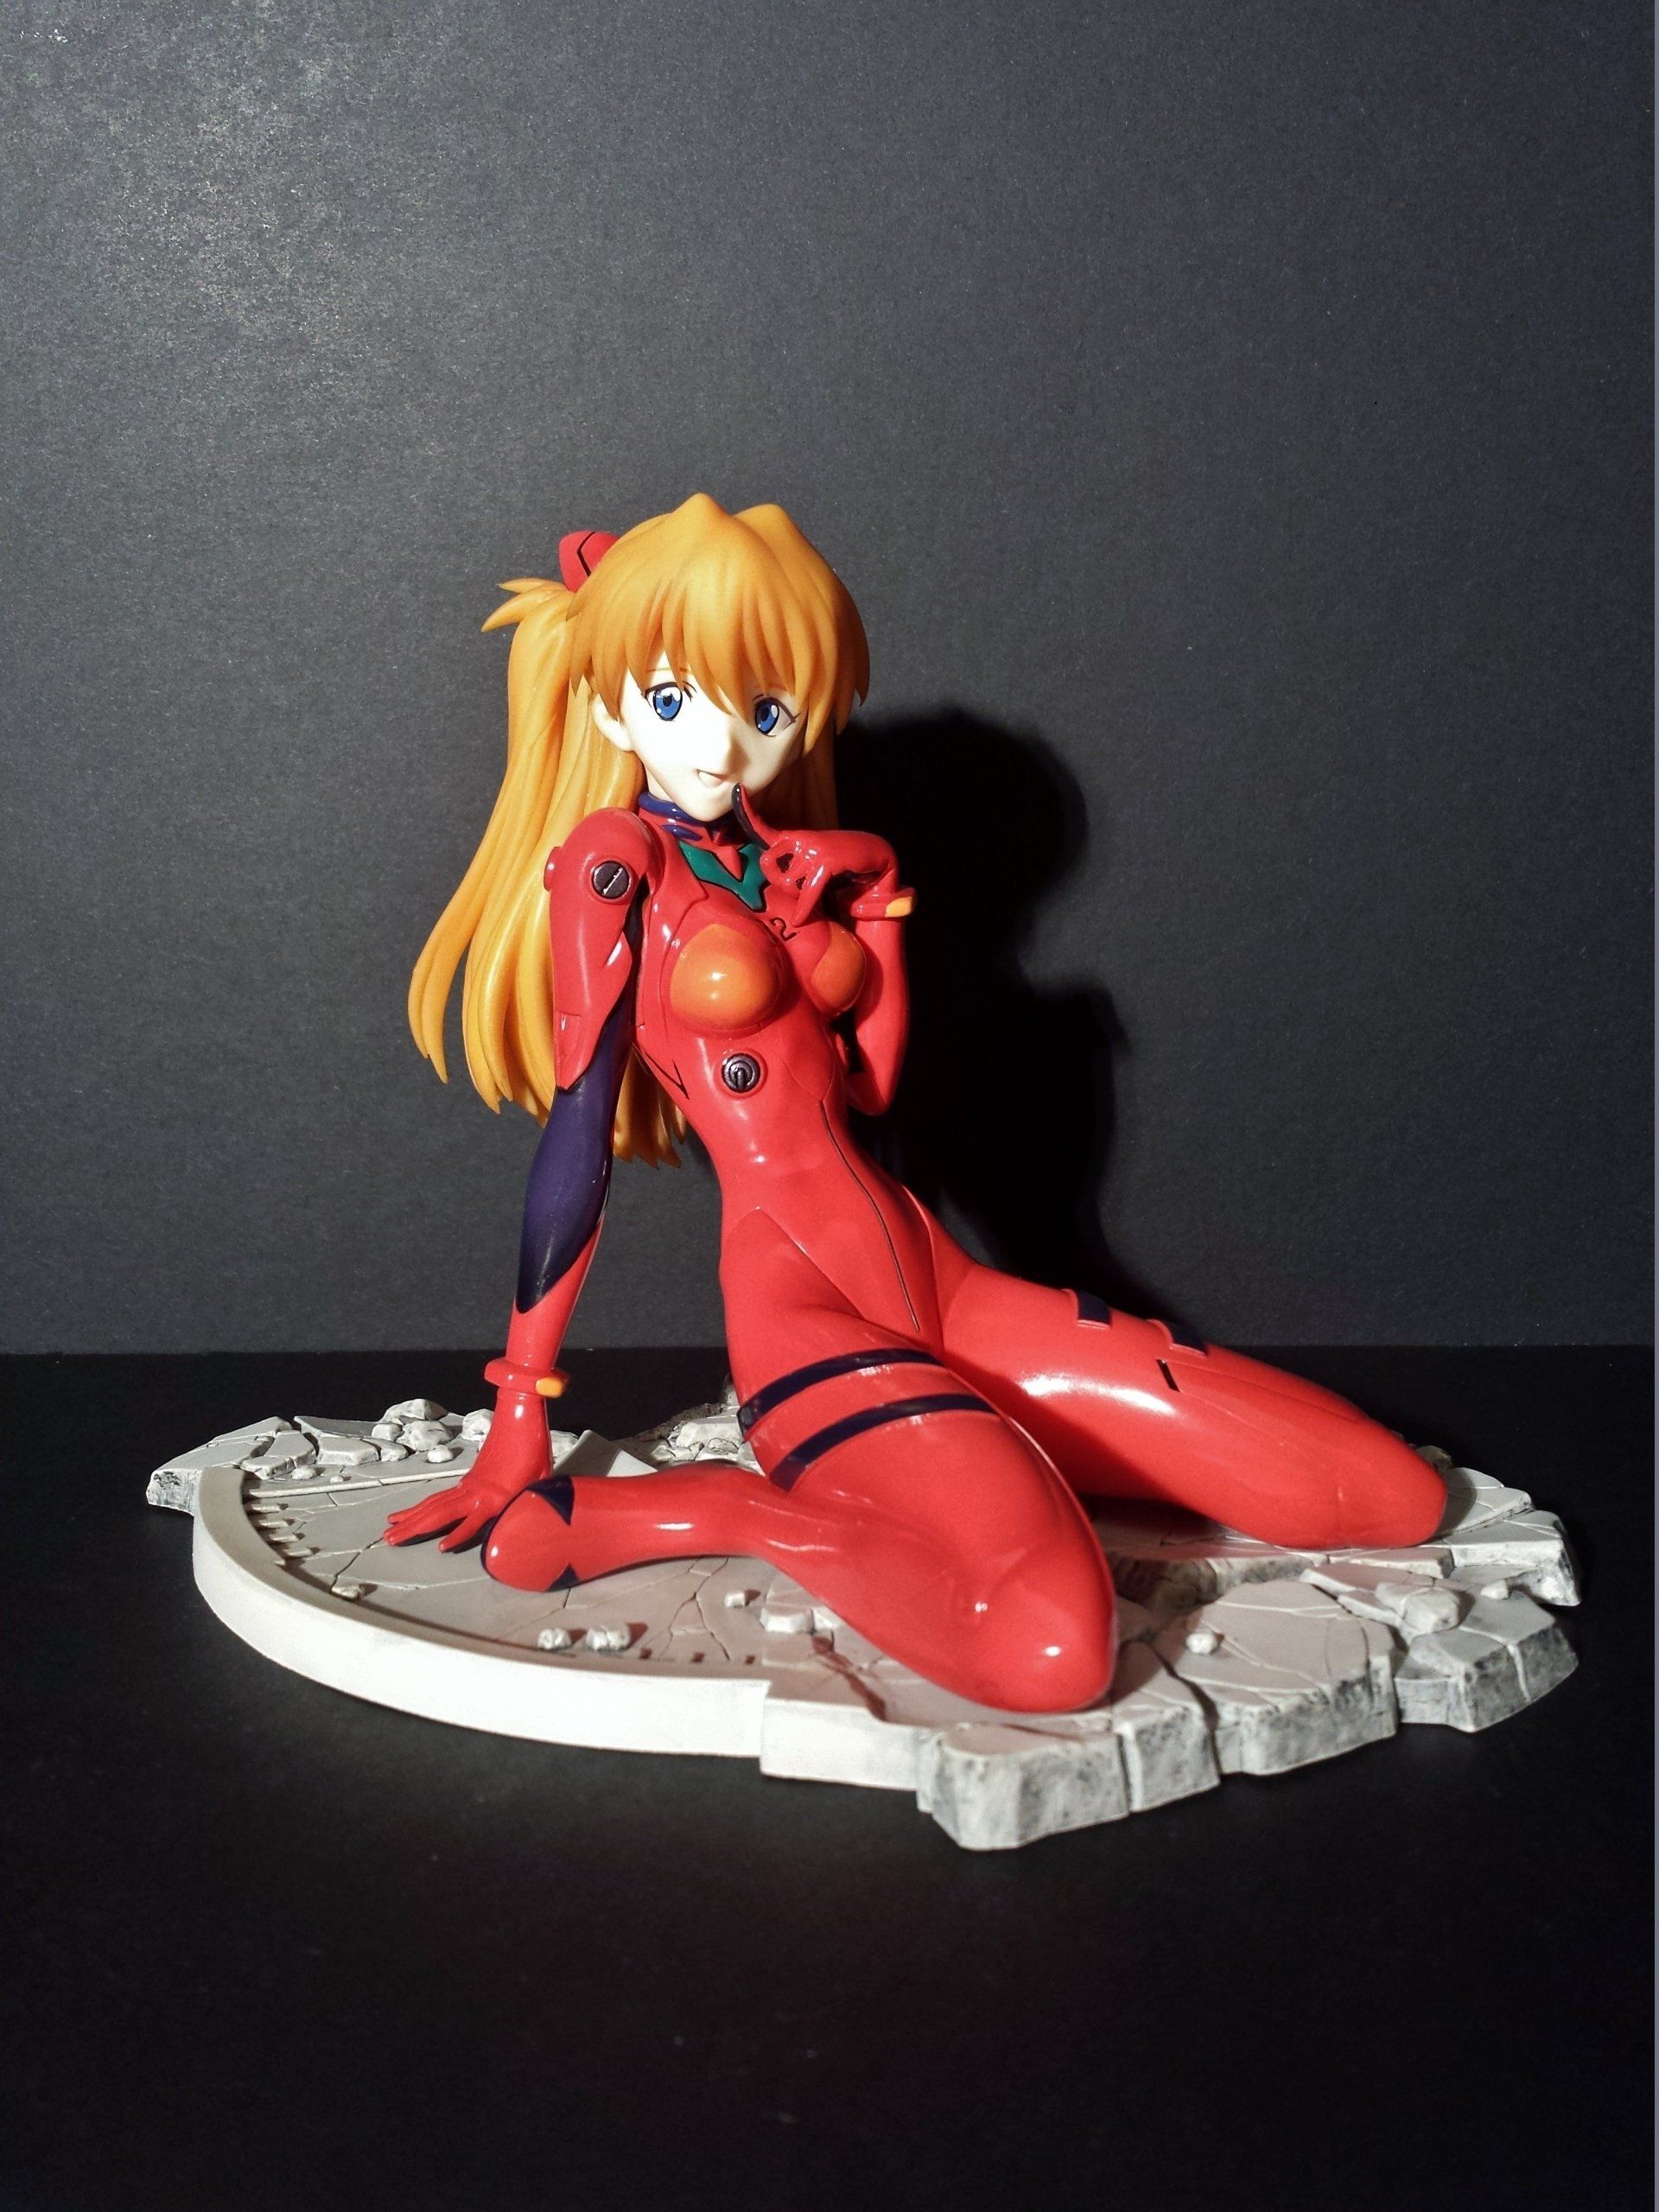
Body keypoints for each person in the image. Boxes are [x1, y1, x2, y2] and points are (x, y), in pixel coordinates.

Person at [385, 494, 1445, 1711]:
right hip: (800, 1312)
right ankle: (744, 1511)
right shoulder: (617, 861)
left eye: (764, 710)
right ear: (611, 701)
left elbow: (870, 1086)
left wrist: (878, 894)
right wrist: (519, 1405)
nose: (720, 745)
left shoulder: (786, 861)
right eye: (675, 700)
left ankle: (957, 1458)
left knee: (1388, 1494)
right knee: (1048, 1648)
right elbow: (580, 1132)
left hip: (941, 1281)